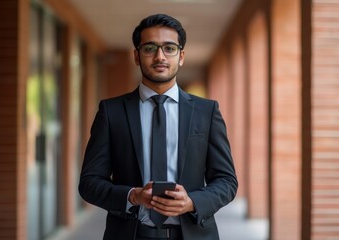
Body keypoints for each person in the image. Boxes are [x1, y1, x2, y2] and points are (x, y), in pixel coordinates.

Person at [78, 13, 237, 240]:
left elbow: (227, 181)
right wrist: (132, 196)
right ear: (136, 56)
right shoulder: (111, 112)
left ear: (181, 56)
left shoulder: (207, 111)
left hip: (192, 234)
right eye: (150, 48)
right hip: (130, 234)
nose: (160, 56)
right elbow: (89, 183)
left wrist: (193, 202)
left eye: (169, 48)